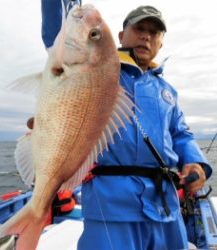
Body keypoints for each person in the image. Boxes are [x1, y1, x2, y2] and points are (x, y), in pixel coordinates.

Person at [36, 1, 212, 249]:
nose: (146, 36)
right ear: (121, 35)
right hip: (111, 205)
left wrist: (196, 162)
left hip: (166, 207)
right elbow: (62, 35)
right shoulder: (98, 66)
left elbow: (180, 133)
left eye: (154, 32)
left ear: (160, 43)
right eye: (139, 28)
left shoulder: (167, 91)